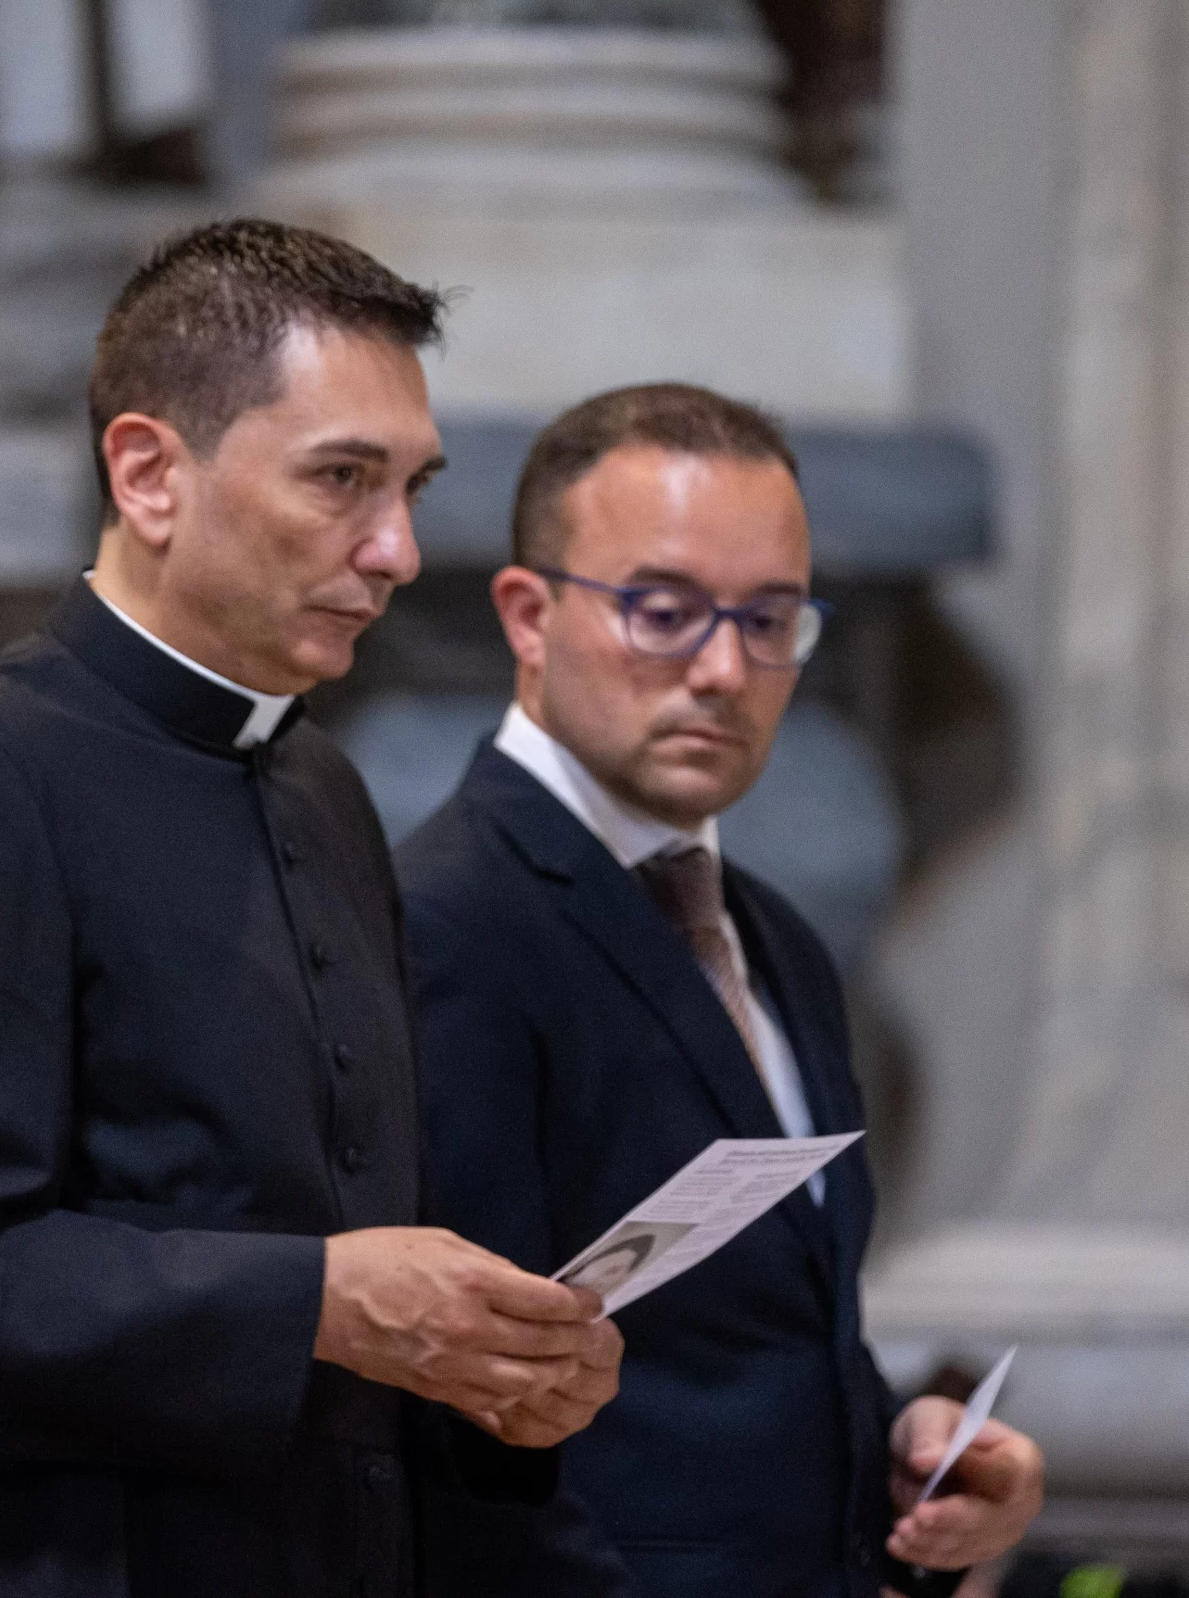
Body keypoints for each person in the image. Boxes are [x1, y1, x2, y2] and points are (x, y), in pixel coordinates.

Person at [0, 219, 625, 1598]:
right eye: (342, 479)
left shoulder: (320, 783)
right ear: (148, 471)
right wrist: (324, 1302)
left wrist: (493, 1359)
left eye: (413, 484)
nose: (401, 549)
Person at [395, 383, 1047, 1598]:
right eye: (663, 611)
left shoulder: (777, 936)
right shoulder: (446, 921)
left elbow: (746, 1342)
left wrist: (901, 1447)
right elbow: (451, 1420)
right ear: (527, 615)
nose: (723, 668)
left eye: (771, 618)